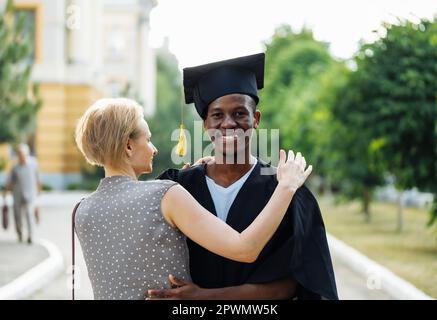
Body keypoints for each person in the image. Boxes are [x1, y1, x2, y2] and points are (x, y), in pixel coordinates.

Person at [73, 97, 312, 300]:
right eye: (147, 139)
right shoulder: (164, 194)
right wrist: (286, 187)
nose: (154, 149)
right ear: (128, 146)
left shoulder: (81, 211)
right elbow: (245, 249)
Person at [153, 53, 338, 300]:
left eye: (240, 113)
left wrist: (205, 297)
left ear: (256, 119)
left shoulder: (285, 190)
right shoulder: (178, 187)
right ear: (205, 123)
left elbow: (295, 283)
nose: (228, 124)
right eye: (217, 115)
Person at [2, 144, 41, 244]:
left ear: (26, 154)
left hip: (30, 194)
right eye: (19, 154)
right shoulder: (15, 167)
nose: (21, 156)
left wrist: (38, 194)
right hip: (17, 195)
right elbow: (9, 182)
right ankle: (20, 234)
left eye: (22, 154)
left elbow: (37, 179)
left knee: (29, 214)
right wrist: (5, 193)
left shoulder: (33, 164)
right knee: (17, 216)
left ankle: (30, 235)